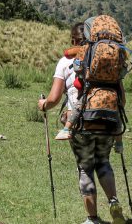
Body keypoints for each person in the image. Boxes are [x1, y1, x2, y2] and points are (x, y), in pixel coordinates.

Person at [38, 22, 126, 224]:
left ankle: (92, 219)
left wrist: (43, 104)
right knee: (103, 162)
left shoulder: (65, 62)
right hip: (107, 121)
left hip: (81, 124)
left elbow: (53, 99)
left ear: (73, 41)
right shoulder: (105, 62)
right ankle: (113, 201)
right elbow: (122, 99)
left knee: (86, 167)